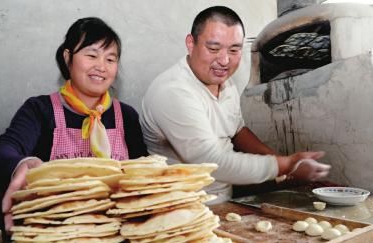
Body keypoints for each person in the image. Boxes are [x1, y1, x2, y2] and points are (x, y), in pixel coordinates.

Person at [141, 6, 331, 204]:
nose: (224, 61)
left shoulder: (224, 82)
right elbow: (211, 161)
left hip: (223, 202)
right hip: (180, 210)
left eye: (234, 50)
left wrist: (288, 164)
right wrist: (284, 165)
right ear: (191, 43)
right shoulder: (173, 91)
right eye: (213, 49)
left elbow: (238, 130)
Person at [0, 17, 148, 231]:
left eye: (111, 59)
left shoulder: (126, 116)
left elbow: (144, 173)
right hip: (53, 232)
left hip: (113, 232)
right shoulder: (40, 110)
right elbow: (2, 150)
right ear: (67, 57)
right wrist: (22, 165)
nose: (101, 66)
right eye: (91, 55)